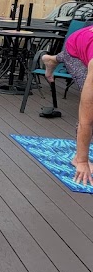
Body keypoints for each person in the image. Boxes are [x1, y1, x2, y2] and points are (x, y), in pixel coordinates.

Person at [40, 22, 93, 185]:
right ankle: (77, 157)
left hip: (85, 40)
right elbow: (86, 120)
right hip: (77, 44)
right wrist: (83, 161)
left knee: (68, 53)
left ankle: (50, 60)